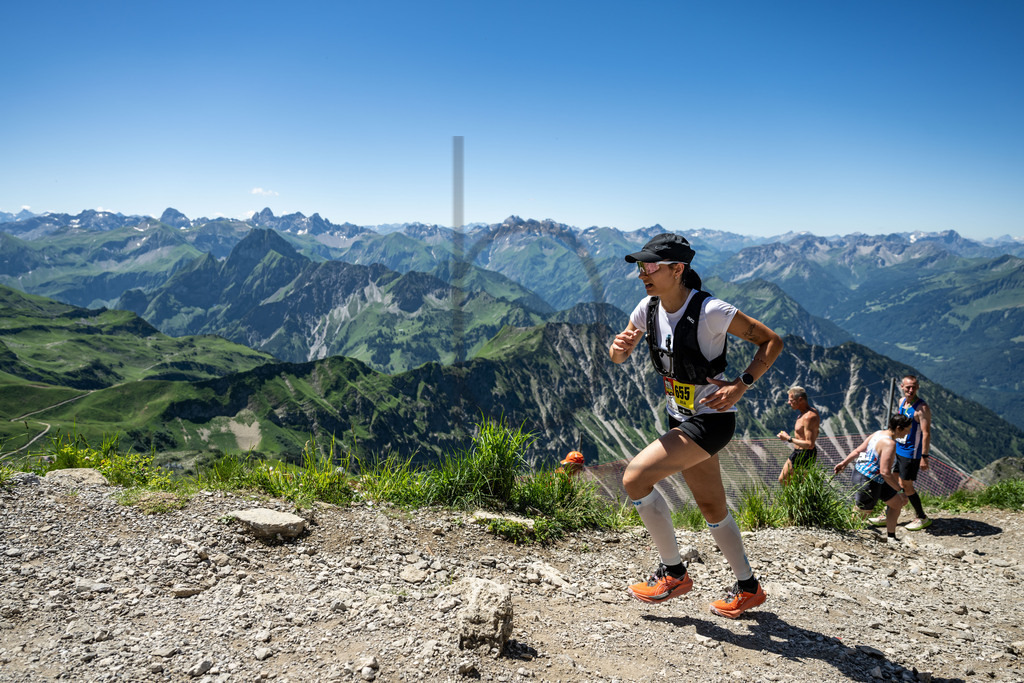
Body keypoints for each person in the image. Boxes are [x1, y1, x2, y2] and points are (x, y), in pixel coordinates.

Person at [609, 232, 783, 619]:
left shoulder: (711, 311)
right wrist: (618, 350)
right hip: (679, 415)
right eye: (640, 266)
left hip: (710, 421)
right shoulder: (646, 309)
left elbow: (771, 342)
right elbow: (619, 355)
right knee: (711, 506)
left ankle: (673, 573)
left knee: (635, 479)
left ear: (678, 269)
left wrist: (741, 385)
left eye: (651, 266)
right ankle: (749, 587)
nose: (643, 274)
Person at [833, 414, 912, 541]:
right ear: (899, 428)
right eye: (907, 429)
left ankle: (891, 537)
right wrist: (900, 490)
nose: (907, 433)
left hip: (867, 475)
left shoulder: (878, 433)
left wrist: (844, 463)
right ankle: (844, 537)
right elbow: (885, 472)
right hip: (868, 479)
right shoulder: (889, 443)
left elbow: (859, 451)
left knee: (897, 503)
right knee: (861, 514)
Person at [869, 375, 933, 530]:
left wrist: (924, 457)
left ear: (917, 387)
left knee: (906, 485)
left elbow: (926, 433)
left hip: (911, 453)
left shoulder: (921, 408)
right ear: (902, 387)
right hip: (899, 449)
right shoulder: (901, 402)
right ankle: (888, 513)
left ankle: (922, 517)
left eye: (913, 387)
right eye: (907, 387)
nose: (910, 390)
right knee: (892, 481)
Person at [776, 385, 820, 484]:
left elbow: (810, 444)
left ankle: (798, 499)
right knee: (784, 480)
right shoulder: (803, 414)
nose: (788, 402)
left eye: (791, 400)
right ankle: (793, 499)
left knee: (791, 482)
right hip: (797, 452)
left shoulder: (809, 417)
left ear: (800, 399)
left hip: (806, 454)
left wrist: (788, 439)